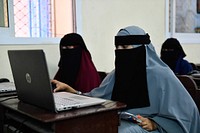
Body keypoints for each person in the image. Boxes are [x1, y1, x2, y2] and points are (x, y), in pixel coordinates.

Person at [52, 26, 200, 132]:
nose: (120, 52)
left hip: (149, 126)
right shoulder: (118, 73)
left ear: (142, 49)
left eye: (125, 47)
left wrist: (156, 123)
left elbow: (187, 113)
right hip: (120, 119)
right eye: (118, 48)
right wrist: (72, 92)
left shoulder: (161, 75)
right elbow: (98, 98)